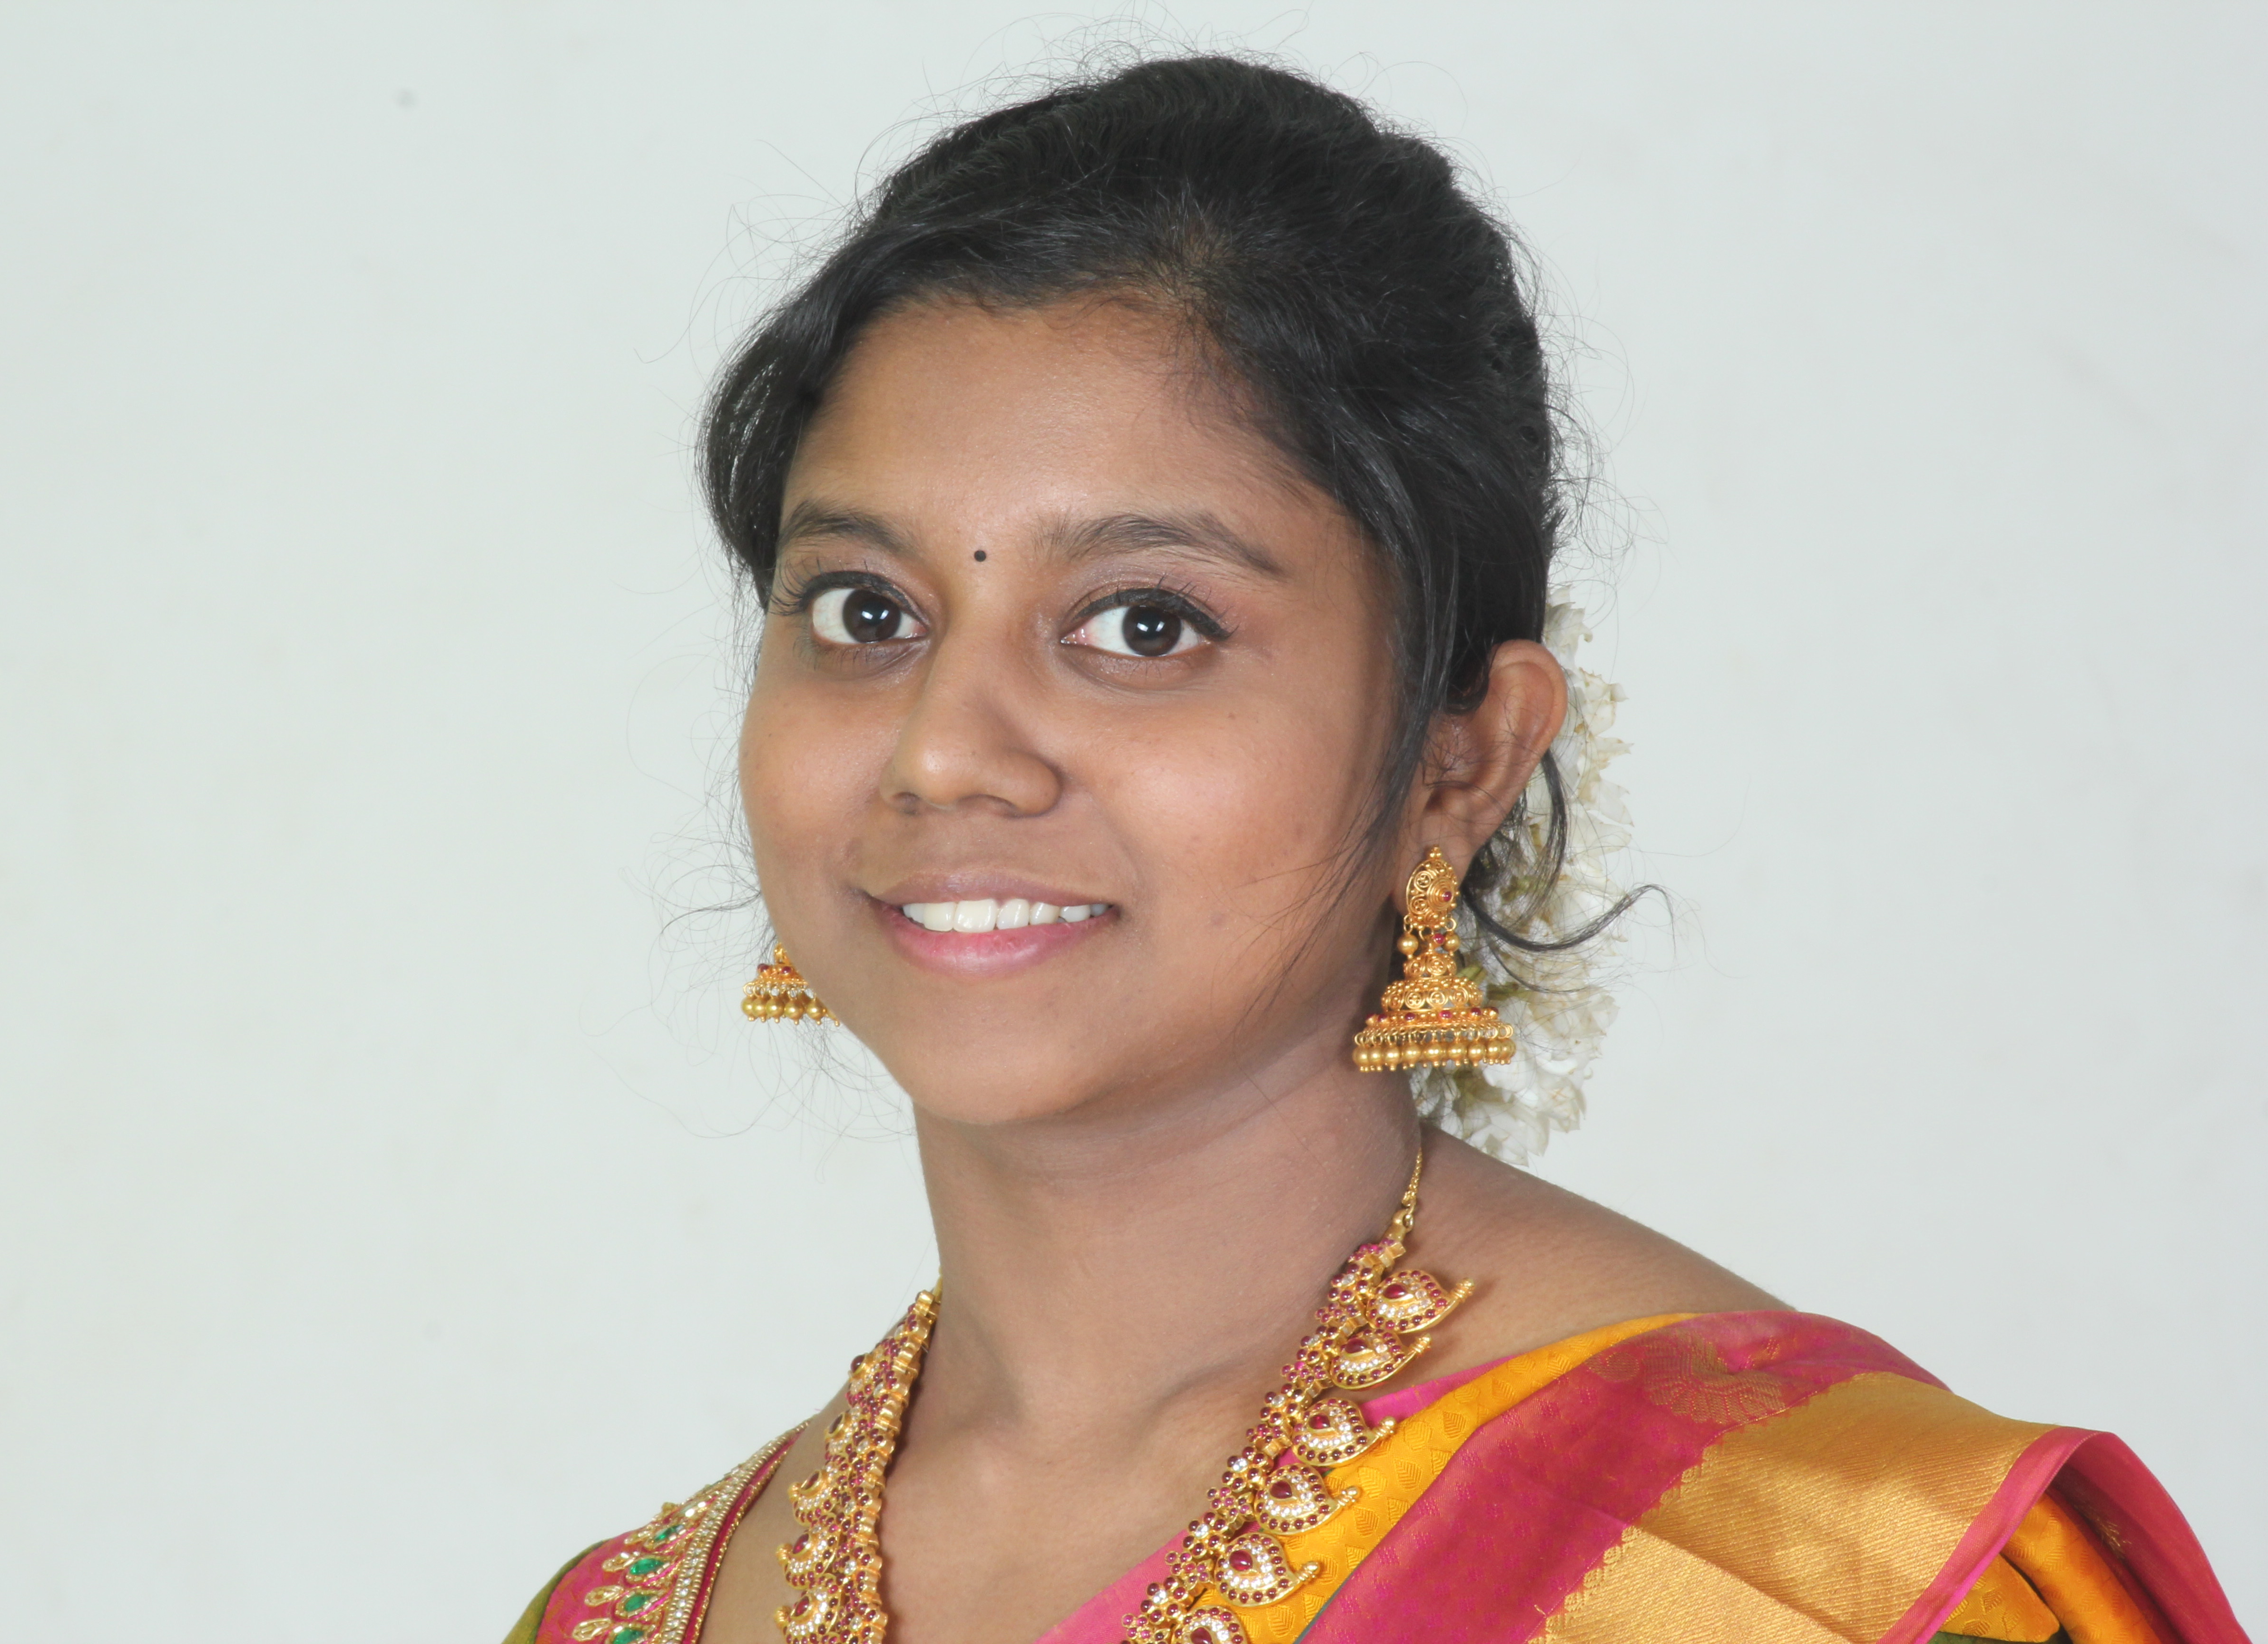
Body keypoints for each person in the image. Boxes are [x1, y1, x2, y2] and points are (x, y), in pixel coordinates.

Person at [504, 55, 2245, 1644]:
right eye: (863, 610)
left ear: (1460, 757)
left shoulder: (1793, 1570)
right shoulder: (631, 1616)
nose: (943, 749)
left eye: (1147, 624)